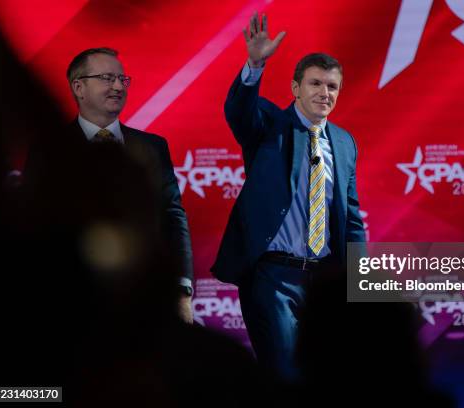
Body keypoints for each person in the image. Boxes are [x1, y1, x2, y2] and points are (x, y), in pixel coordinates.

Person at [211, 13, 366, 381]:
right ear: (295, 88)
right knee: (284, 374)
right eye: (315, 83)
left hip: (325, 280)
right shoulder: (269, 124)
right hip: (274, 278)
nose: (323, 93)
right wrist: (255, 64)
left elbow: (352, 216)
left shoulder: (344, 142)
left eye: (332, 86)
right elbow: (239, 112)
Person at [34, 47, 195, 322]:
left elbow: (172, 216)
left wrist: (181, 290)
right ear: (79, 87)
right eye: (107, 78)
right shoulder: (49, 149)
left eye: (123, 79)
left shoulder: (153, 147)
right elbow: (35, 225)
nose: (118, 86)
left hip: (143, 298)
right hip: (70, 302)